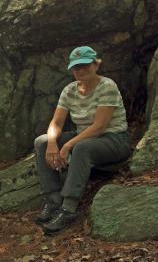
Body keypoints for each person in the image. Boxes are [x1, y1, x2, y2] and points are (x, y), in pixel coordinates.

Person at [34, 46, 131, 234]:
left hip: (114, 139)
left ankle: (68, 208)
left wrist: (69, 144)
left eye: (85, 65)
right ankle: (53, 200)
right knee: (42, 142)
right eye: (76, 67)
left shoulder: (107, 86)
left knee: (82, 148)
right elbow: (56, 122)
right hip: (84, 136)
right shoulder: (69, 90)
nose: (80, 71)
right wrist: (53, 143)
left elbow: (100, 126)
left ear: (96, 65)